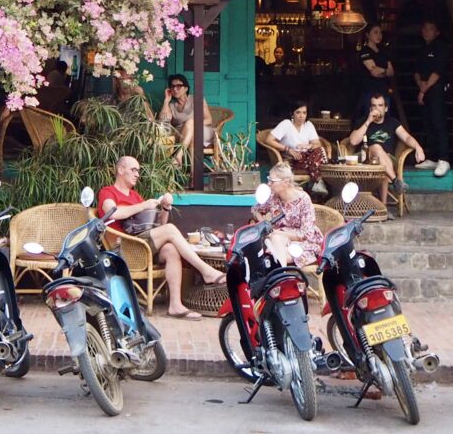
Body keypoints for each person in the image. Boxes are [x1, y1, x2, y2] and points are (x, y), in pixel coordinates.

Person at [97, 155, 225, 320]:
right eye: (133, 170)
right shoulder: (107, 192)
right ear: (121, 170)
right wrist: (144, 205)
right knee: (170, 230)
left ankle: (175, 305)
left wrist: (165, 208)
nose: (137, 174)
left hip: (142, 245)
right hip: (123, 250)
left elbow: (157, 225)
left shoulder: (135, 196)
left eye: (138, 171)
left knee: (171, 249)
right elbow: (112, 212)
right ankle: (206, 271)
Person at [348, 92, 426, 207]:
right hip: (366, 159)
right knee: (376, 147)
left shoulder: (392, 122)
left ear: (386, 108)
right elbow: (353, 141)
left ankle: (383, 207)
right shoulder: (363, 121)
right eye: (373, 106)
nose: (376, 109)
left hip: (387, 161)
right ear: (370, 108)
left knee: (382, 165)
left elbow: (407, 137)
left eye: (380, 105)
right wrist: (368, 121)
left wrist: (418, 147)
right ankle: (395, 182)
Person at [254, 163, 325, 266]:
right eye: (269, 179)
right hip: (278, 239)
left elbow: (305, 234)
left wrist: (277, 232)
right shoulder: (273, 197)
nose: (269, 183)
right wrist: (264, 224)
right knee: (274, 247)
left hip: (303, 243)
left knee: (271, 255)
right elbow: (256, 209)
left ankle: (279, 274)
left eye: (272, 181)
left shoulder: (303, 199)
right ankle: (282, 275)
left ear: (285, 182)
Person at [412, 20, 453, 177]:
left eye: (430, 29)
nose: (425, 31)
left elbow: (437, 72)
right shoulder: (422, 49)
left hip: (436, 90)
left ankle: (444, 159)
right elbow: (416, 71)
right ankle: (433, 158)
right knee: (427, 124)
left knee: (439, 123)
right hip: (425, 90)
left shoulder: (440, 47)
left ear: (437, 32)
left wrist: (424, 88)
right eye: (424, 28)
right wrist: (421, 86)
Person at [157, 74, 213, 166]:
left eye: (178, 86)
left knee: (190, 122)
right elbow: (163, 121)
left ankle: (179, 156)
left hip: (202, 132)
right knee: (191, 139)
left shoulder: (197, 100)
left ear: (186, 88)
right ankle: (193, 176)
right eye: (172, 86)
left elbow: (208, 119)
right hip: (182, 135)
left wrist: (192, 124)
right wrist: (166, 100)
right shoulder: (171, 105)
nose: (175, 89)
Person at [269, 101, 326, 186]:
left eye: (304, 113)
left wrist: (309, 145)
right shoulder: (286, 124)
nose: (301, 116)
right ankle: (319, 182)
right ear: (292, 114)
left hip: (308, 159)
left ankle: (318, 182)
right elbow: (269, 140)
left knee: (320, 150)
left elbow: (317, 143)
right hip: (292, 159)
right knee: (320, 161)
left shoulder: (308, 125)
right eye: (298, 112)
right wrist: (288, 149)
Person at [352, 24, 395, 117]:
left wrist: (381, 70)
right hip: (369, 91)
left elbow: (391, 72)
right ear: (368, 35)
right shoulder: (365, 51)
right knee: (371, 117)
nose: (379, 35)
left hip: (384, 91)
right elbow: (374, 72)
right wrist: (384, 71)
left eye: (380, 33)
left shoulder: (384, 51)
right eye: (375, 32)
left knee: (384, 117)